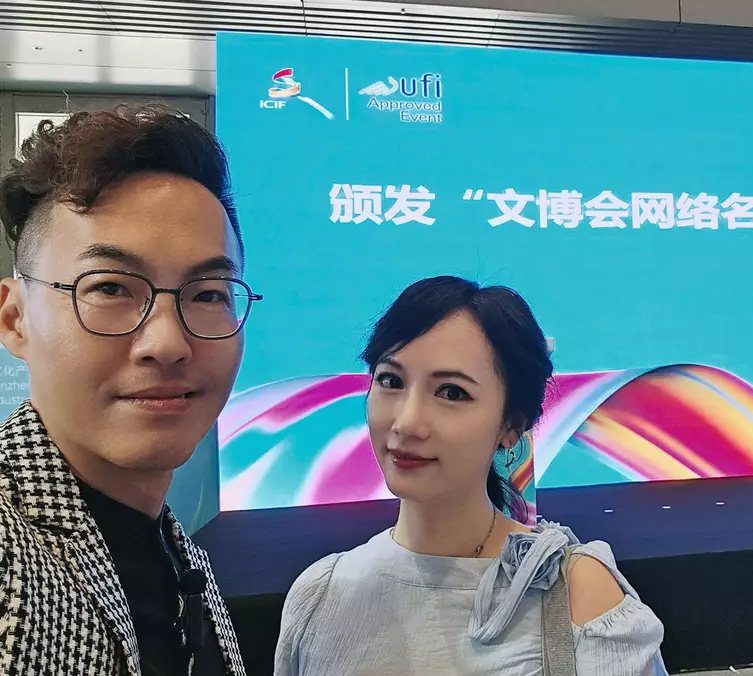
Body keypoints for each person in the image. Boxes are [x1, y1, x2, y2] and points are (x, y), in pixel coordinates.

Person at [275, 276, 666, 675]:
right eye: (391, 381)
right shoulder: (320, 595)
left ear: (511, 424)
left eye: (451, 392)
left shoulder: (580, 598)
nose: (407, 422)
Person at [0, 105, 258, 675]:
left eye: (208, 294)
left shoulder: (180, 555)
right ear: (16, 320)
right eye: (110, 288)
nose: (167, 343)